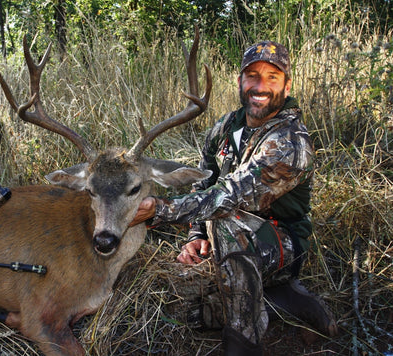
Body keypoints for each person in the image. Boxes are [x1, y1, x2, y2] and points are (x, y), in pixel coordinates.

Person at [130, 41, 338, 355]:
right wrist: (197, 235)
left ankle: (244, 340)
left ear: (287, 85)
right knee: (191, 313)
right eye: (252, 75)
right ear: (240, 81)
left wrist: (158, 210)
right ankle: (281, 299)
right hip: (229, 239)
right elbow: (204, 185)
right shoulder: (224, 128)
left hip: (282, 246)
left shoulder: (291, 142)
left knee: (227, 222)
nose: (260, 86)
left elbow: (228, 198)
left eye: (272, 77)